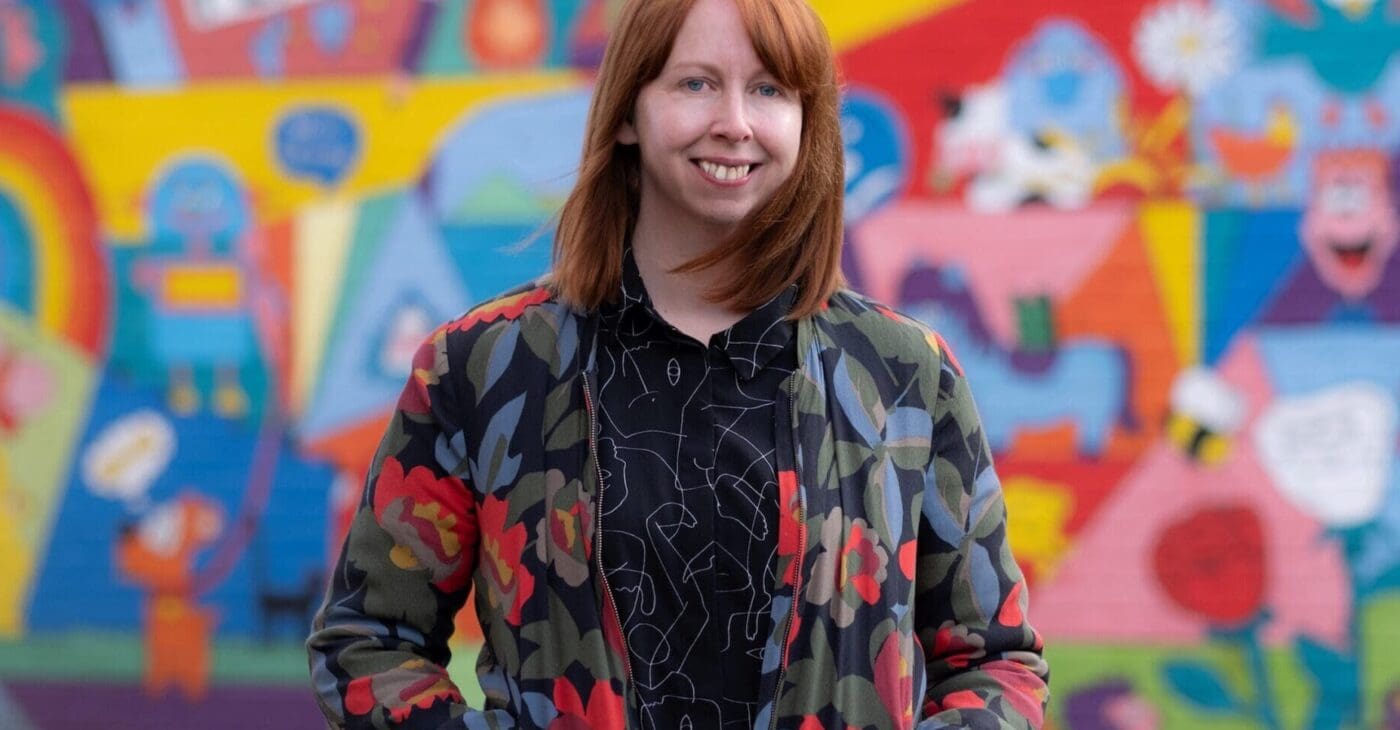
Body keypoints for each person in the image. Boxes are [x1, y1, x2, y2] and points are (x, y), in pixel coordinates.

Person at [306, 0, 1050, 727]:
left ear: (805, 121)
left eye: (768, 89)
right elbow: (367, 643)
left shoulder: (905, 374)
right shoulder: (484, 365)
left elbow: (994, 658)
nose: (734, 121)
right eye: (696, 83)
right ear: (628, 112)